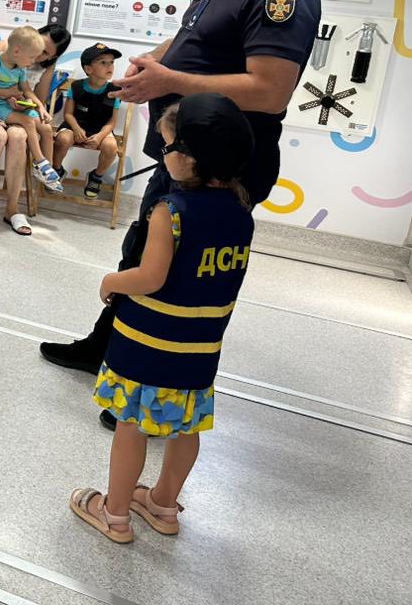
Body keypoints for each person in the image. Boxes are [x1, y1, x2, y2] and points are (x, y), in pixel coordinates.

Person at [40, 0, 322, 423]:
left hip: (220, 169)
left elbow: (269, 91)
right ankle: (107, 351)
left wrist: (172, 81)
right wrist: (154, 60)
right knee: (143, 251)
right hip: (181, 155)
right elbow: (194, 35)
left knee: (180, 277)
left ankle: (152, 390)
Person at [70, 94, 254, 543]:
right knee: (187, 427)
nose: (163, 154)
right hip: (200, 348)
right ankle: (163, 504)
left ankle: (114, 515)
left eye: (167, 146)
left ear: (189, 158)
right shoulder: (241, 212)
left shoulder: (169, 212)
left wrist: (112, 280)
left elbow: (151, 277)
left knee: (130, 426)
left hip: (148, 344)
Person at [0, 22, 71, 235]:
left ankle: (12, 208)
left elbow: (34, 99)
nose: (38, 56)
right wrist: (3, 93)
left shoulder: (39, 67)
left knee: (19, 136)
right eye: (39, 48)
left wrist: (23, 104)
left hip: (10, 112)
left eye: (45, 54)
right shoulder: (4, 49)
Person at [53, 43, 123, 198]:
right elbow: (68, 114)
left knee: (111, 146)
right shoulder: (76, 86)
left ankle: (96, 177)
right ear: (88, 69)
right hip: (75, 125)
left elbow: (112, 122)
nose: (109, 66)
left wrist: (99, 136)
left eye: (111, 62)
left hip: (100, 129)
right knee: (63, 139)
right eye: (103, 62)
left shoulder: (114, 91)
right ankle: (57, 170)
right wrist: (76, 129)